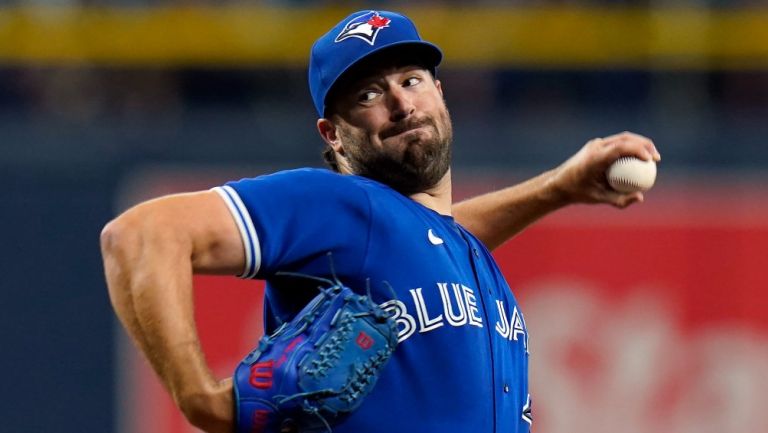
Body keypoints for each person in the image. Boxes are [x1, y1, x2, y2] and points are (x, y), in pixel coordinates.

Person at [100, 9, 661, 433]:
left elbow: (429, 238)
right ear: (333, 136)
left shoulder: (448, 248)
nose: (400, 103)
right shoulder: (339, 204)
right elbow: (140, 235)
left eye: (411, 80)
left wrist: (558, 188)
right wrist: (200, 398)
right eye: (369, 93)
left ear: (440, 93)